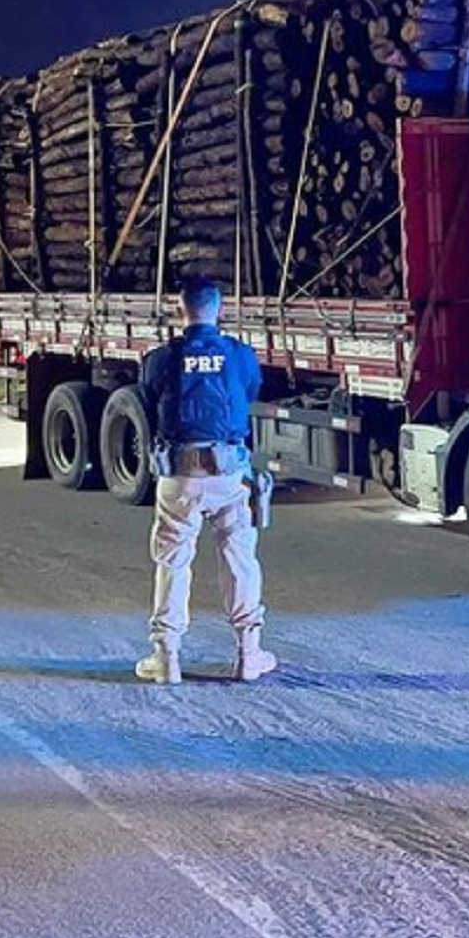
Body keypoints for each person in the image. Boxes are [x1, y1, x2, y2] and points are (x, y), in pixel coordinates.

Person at [134, 275, 276, 685]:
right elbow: (248, 391)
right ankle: (249, 655)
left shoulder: (163, 357)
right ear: (220, 310)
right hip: (230, 474)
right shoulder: (239, 353)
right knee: (240, 562)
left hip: (180, 474)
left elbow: (148, 396)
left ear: (182, 310)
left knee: (172, 562)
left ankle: (167, 658)